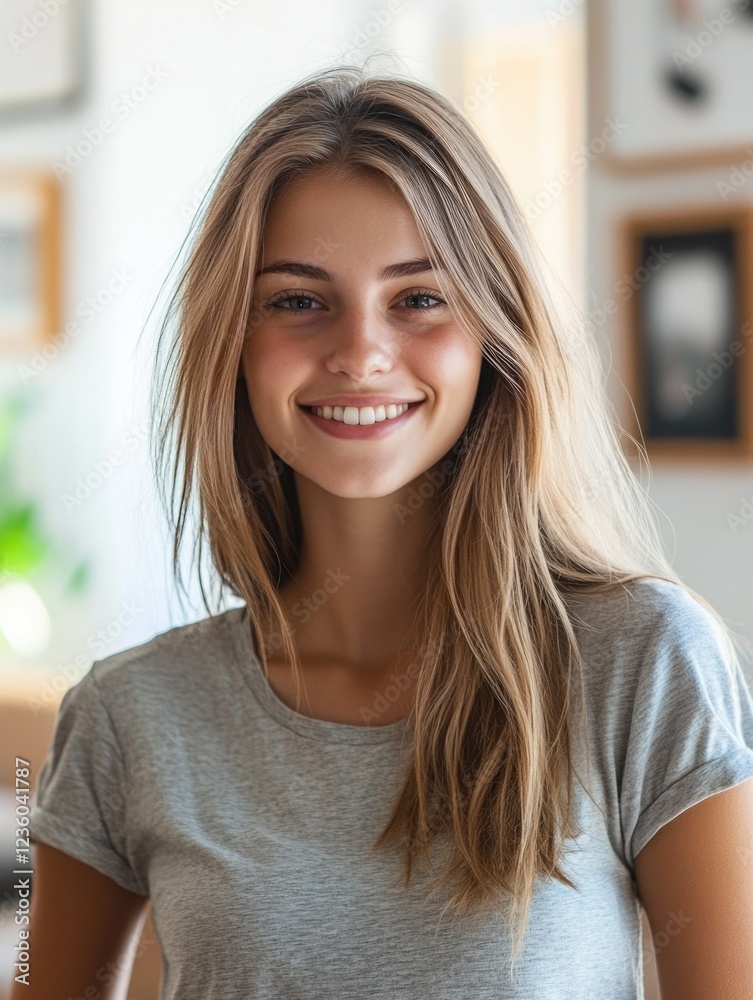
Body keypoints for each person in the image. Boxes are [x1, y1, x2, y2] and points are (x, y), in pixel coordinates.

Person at [21, 65, 753, 1000]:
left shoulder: (643, 663)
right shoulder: (129, 716)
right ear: (232, 342)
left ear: (494, 333)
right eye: (296, 299)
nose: (360, 351)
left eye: (417, 299)